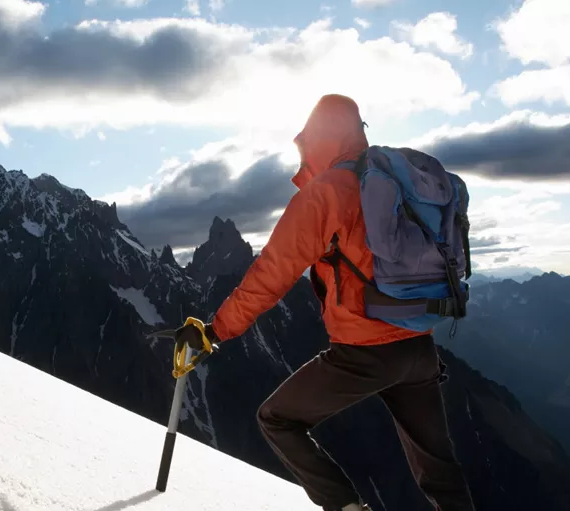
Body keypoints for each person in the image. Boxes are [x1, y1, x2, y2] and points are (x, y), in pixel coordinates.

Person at [175, 94, 476, 511]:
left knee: (277, 419)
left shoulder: (327, 193)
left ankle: (347, 508)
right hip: (419, 344)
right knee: (440, 470)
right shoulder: (390, 181)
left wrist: (215, 330)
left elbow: (272, 274)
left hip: (365, 351)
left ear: (317, 139)